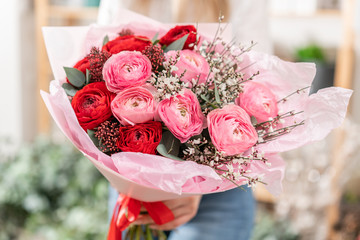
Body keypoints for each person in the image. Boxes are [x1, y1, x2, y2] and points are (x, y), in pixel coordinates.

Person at [100, 0, 272, 239]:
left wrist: (196, 183)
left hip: (219, 189)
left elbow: (255, 83)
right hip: (132, 189)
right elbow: (100, 68)